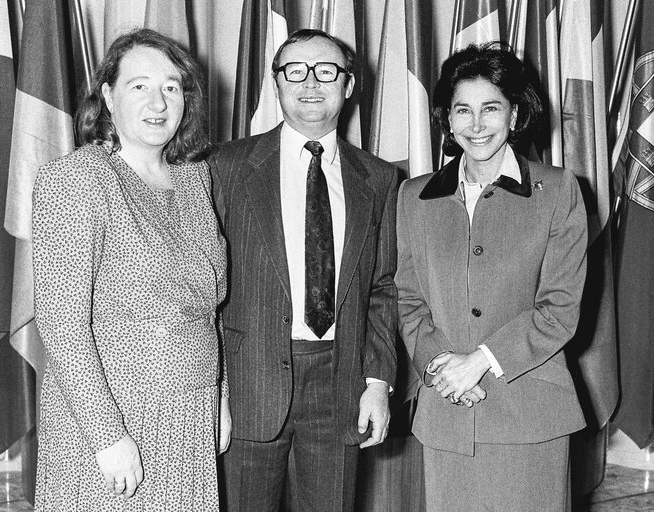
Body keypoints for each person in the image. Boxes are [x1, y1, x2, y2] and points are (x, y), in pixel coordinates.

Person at [32, 28, 229, 510]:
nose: (158, 102)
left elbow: (208, 306)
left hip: (189, 415)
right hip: (113, 414)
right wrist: (106, 435)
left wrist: (220, 394)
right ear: (107, 96)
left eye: (171, 86)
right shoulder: (77, 179)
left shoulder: (192, 176)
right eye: (139, 85)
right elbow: (62, 326)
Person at [210, 29, 397, 512]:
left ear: (349, 85)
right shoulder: (224, 167)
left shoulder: (378, 178)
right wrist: (214, 391)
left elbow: (382, 288)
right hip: (249, 383)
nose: (310, 83)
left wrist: (377, 383)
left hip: (340, 384)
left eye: (326, 71)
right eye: (295, 71)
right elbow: (202, 289)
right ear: (277, 83)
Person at [396, 42, 588, 511]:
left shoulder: (558, 191)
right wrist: (444, 368)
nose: (476, 125)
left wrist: (479, 360)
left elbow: (560, 309)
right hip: (446, 413)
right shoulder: (414, 196)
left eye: (491, 109)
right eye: (463, 110)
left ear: (516, 115)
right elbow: (407, 298)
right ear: (448, 118)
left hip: (529, 414)